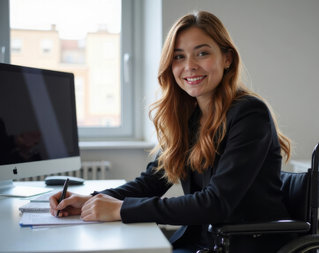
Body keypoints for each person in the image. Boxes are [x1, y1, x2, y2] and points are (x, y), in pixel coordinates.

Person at [50, 11, 293, 253]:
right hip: (202, 242)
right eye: (179, 56)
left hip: (243, 245)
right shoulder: (189, 117)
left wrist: (120, 209)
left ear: (227, 58)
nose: (189, 66)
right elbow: (151, 183)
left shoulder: (250, 113)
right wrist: (92, 199)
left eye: (202, 53)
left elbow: (216, 203)